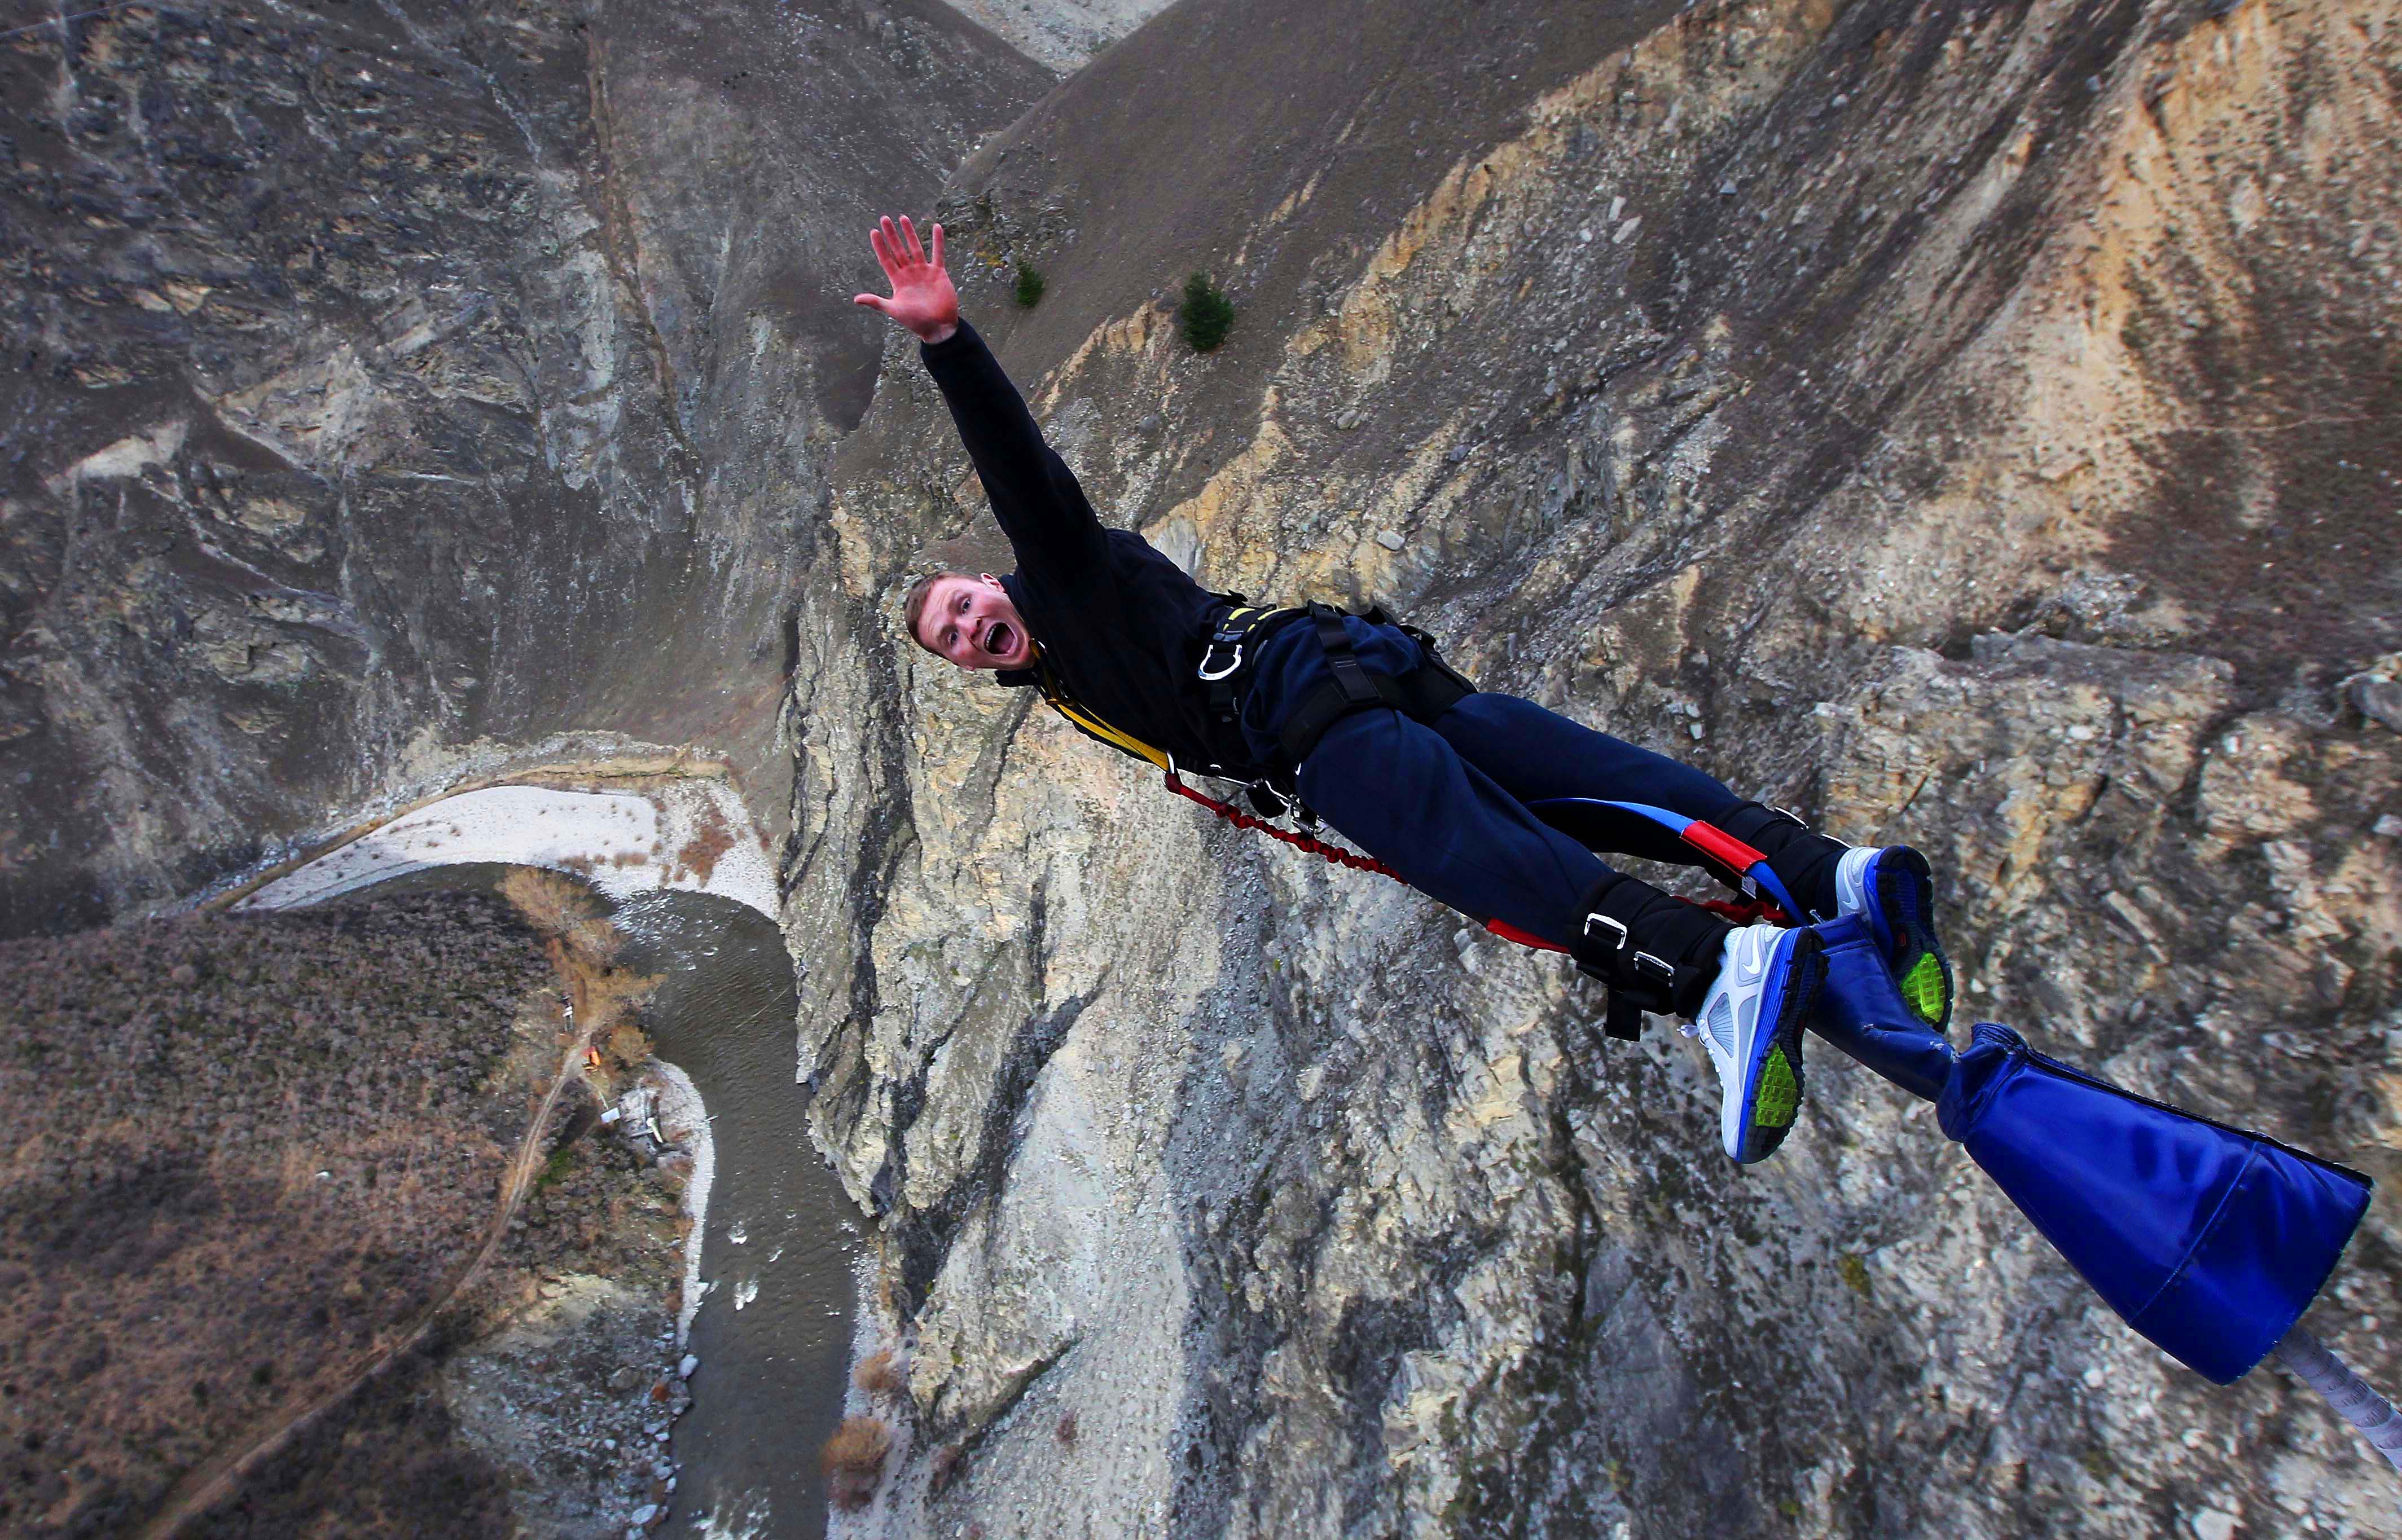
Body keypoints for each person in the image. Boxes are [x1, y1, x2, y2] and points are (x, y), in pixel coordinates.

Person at [854, 215, 1951, 1164]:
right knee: (1591, 790)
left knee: (1488, 863)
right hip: (1352, 670)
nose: (968, 627)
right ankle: (1840, 881)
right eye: (953, 638)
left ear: (985, 584)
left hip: (1300, 714)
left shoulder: (1059, 579)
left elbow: (1022, 472)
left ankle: (1720, 973)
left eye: (959, 606)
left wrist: (948, 343)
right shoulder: (1058, 663)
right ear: (967, 665)